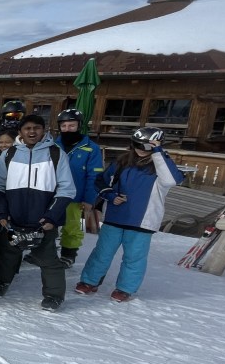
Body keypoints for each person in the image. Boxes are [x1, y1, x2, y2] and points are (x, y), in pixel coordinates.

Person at [76, 128, 184, 302]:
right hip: (115, 217)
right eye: (136, 144)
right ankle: (89, 281)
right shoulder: (122, 162)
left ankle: (125, 288)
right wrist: (111, 195)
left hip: (142, 221)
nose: (141, 149)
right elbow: (101, 180)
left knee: (134, 257)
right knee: (102, 252)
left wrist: (157, 151)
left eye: (146, 146)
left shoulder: (161, 165)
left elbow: (172, 180)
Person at [0, 115, 75, 311]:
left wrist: (52, 216)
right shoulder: (9, 154)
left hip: (43, 219)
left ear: (44, 130)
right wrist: (3, 214)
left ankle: (54, 295)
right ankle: (2, 281)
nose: (32, 132)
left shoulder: (55, 154)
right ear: (20, 131)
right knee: (8, 254)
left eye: (36, 128)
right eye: (27, 128)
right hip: (13, 217)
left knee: (48, 258)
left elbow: (67, 189)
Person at [54, 108, 105, 268]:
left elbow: (94, 176)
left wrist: (89, 199)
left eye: (71, 125)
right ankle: (45, 251)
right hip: (52, 194)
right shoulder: (53, 145)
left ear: (79, 126)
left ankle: (68, 254)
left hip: (75, 196)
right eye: (64, 126)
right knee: (48, 224)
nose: (67, 129)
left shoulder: (90, 148)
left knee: (71, 226)